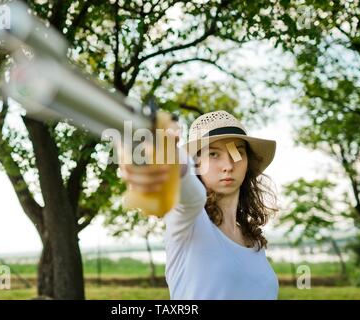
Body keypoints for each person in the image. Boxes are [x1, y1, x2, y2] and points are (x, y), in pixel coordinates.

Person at [118, 111, 279, 300]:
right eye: (213, 154)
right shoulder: (190, 220)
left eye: (237, 153)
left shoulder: (254, 241)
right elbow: (187, 186)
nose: (227, 165)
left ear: (247, 163)